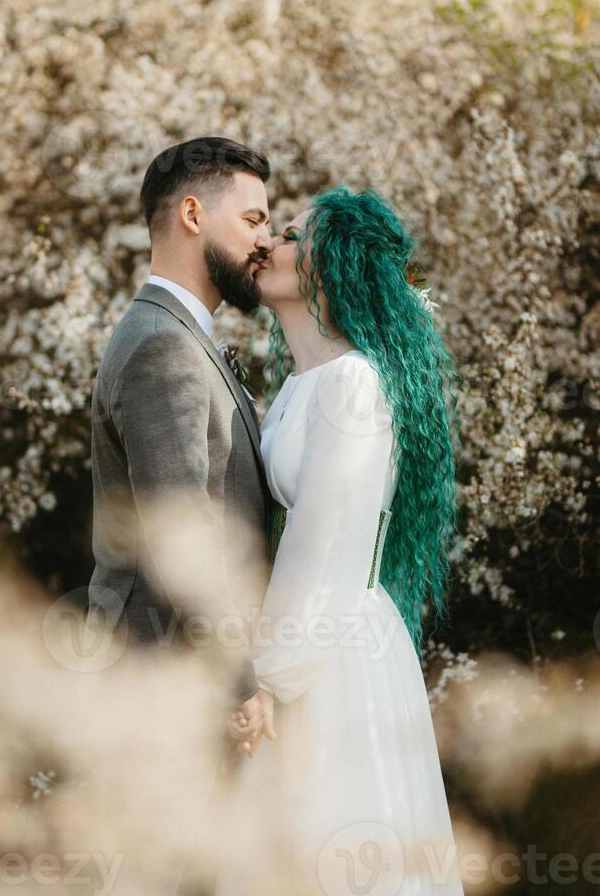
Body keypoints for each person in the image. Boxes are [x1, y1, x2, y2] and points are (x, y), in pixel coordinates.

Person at [217, 186, 465, 895]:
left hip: (332, 652)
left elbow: (324, 544)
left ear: (337, 265)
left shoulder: (354, 384)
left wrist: (268, 678)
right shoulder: (302, 384)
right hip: (305, 639)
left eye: (293, 234)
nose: (269, 243)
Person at [85, 136, 278, 800]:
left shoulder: (174, 334)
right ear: (194, 216)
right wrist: (238, 684)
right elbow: (182, 533)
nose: (266, 240)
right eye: (253, 219)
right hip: (167, 675)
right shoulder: (164, 346)